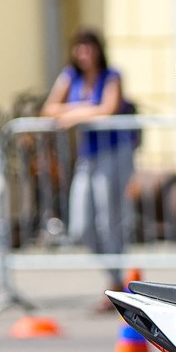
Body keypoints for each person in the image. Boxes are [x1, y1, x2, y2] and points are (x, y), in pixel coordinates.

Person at [42, 27, 135, 306]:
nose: (84, 53)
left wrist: (73, 115)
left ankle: (116, 283)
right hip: (88, 155)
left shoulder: (111, 75)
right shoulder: (70, 76)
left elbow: (108, 108)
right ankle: (115, 278)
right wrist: (82, 113)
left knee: (109, 221)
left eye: (89, 47)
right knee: (81, 225)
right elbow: (49, 109)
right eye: (79, 47)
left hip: (113, 152)